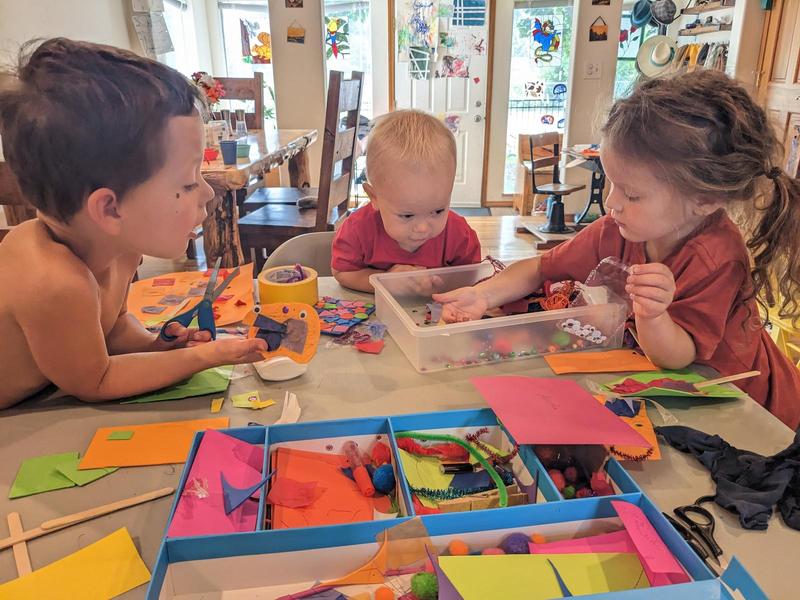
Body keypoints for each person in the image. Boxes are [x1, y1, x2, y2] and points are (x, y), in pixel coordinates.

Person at [435, 70, 800, 429]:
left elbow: (677, 356)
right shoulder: (619, 227)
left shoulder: (717, 256)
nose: (612, 202)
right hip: (679, 394)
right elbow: (540, 269)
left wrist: (653, 316)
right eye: (611, 184)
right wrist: (481, 296)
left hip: (748, 406)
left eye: (632, 194)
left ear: (704, 199)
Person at [0, 38, 267, 408]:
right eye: (188, 182)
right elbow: (97, 378)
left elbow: (113, 329)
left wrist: (156, 347)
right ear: (109, 210)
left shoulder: (121, 251)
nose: (208, 194)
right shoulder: (54, 283)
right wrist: (202, 357)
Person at [331, 109, 481, 292]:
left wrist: (443, 284)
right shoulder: (357, 230)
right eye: (407, 215)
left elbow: (472, 274)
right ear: (374, 198)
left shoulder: (459, 234)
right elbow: (342, 273)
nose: (423, 228)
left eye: (438, 211)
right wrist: (383, 282)